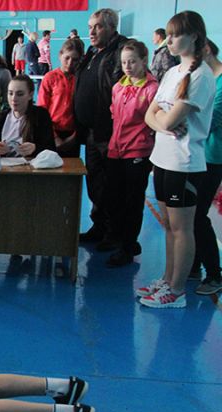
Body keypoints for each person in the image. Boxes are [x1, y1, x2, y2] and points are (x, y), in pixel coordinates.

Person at [140, 11, 215, 308]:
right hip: (161, 159)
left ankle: (177, 290)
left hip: (183, 164)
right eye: (167, 35)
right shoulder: (172, 73)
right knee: (169, 227)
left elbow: (168, 119)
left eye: (175, 35)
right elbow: (150, 115)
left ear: (194, 36)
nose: (168, 41)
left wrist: (162, 120)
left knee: (182, 228)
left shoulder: (201, 76)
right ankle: (167, 279)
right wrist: (162, 122)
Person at [74, 8, 127, 247]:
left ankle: (115, 234)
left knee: (113, 185)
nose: (92, 32)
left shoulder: (121, 51)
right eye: (90, 27)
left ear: (112, 27)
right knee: (96, 183)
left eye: (98, 26)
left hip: (110, 132)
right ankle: (99, 227)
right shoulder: (93, 52)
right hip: (92, 132)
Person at [105, 40, 158, 268]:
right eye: (124, 62)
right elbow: (114, 115)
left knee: (133, 201)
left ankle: (127, 247)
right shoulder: (118, 87)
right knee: (114, 198)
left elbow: (155, 119)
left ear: (144, 61)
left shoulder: (152, 89)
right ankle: (120, 239)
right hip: (115, 149)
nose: (127, 66)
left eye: (133, 61)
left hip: (138, 150)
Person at [191, 39, 222, 295]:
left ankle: (214, 274)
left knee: (198, 215)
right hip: (199, 156)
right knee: (191, 213)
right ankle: (192, 265)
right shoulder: (207, 79)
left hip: (213, 158)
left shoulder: (219, 82)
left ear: (207, 51)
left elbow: (210, 122)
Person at [37, 38, 84, 157]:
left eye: (75, 59)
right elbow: (42, 110)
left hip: (73, 134)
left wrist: (75, 136)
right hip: (51, 131)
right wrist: (54, 137)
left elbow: (84, 108)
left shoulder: (80, 79)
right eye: (67, 58)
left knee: (72, 167)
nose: (70, 63)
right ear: (60, 55)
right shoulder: (50, 78)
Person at [0, 74, 55, 158]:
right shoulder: (1, 117)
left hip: (31, 165)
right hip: (5, 165)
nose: (14, 98)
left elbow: (51, 149)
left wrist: (35, 148)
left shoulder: (41, 115)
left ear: (30, 95)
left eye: (20, 94)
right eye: (10, 93)